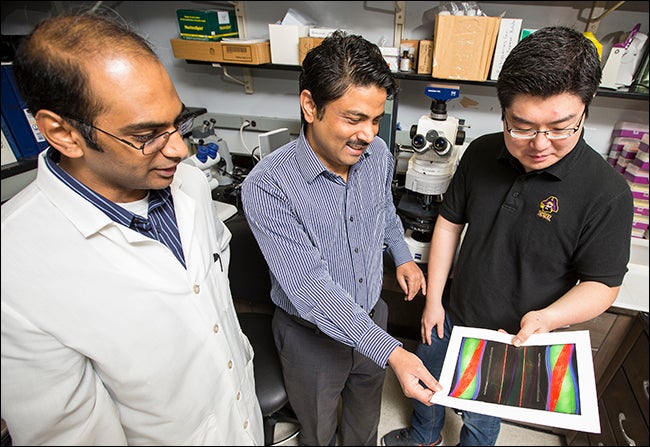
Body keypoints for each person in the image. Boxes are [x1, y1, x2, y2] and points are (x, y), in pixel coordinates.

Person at [0, 11, 263, 446]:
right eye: (146, 135)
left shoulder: (188, 183)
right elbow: (75, 437)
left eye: (177, 121)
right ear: (62, 133)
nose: (179, 148)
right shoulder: (15, 271)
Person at [382, 26, 634, 446]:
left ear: (585, 112)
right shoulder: (481, 152)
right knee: (426, 388)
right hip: (453, 315)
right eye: (521, 126)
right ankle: (424, 438)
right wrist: (433, 302)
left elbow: (602, 285)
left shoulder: (606, 193)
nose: (539, 145)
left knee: (481, 419)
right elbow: (448, 223)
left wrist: (546, 319)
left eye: (560, 128)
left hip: (517, 338)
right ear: (504, 114)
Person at [240, 30, 442, 446]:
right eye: (353, 119)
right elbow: (309, 289)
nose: (367, 134)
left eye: (375, 120)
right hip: (309, 339)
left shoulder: (378, 156)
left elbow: (383, 211)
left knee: (364, 420)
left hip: (372, 316)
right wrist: (394, 352)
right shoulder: (268, 185)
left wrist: (402, 254)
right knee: (318, 430)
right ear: (311, 105)